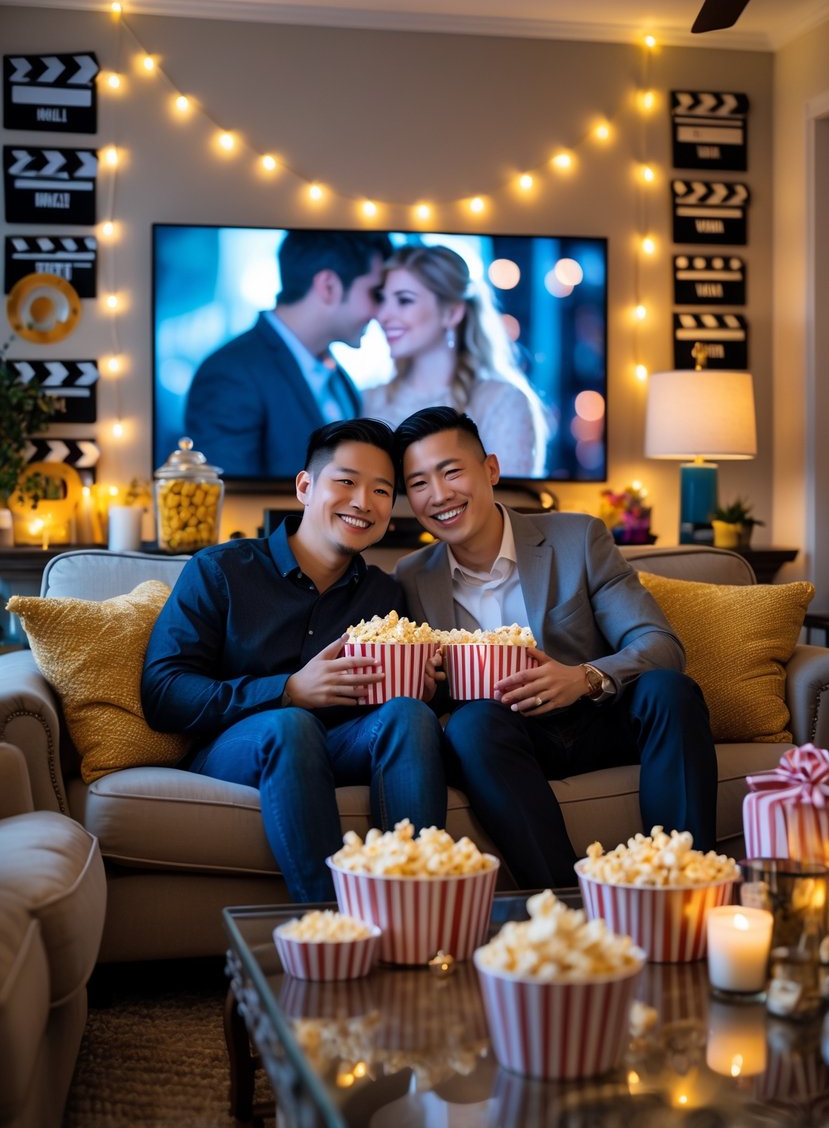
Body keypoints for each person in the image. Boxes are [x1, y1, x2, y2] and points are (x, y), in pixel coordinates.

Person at [393, 405, 717, 890]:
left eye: (451, 472)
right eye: (418, 483)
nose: (439, 495)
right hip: (508, 743)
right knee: (471, 724)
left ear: (491, 469)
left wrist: (582, 677)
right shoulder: (412, 576)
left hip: (598, 719)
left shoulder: (578, 538)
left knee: (669, 690)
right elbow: (429, 694)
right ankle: (564, 903)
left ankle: (682, 883)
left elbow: (659, 643)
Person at [141, 417, 447, 902]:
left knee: (411, 715)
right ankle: (332, 926)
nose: (363, 502)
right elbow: (163, 691)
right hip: (239, 747)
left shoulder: (383, 593)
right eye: (346, 481)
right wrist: (288, 690)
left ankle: (418, 910)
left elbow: (392, 706)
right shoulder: (221, 570)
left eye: (382, 491)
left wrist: (418, 687)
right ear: (306, 486)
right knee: (292, 724)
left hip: (343, 743)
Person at [185, 230, 393, 478]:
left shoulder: (340, 379)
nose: (382, 311)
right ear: (329, 286)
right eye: (376, 293)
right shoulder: (230, 373)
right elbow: (227, 497)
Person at [362, 244, 549, 477]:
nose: (382, 315)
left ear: (452, 313)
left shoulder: (501, 403)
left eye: (404, 300)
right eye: (382, 299)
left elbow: (510, 504)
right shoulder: (368, 400)